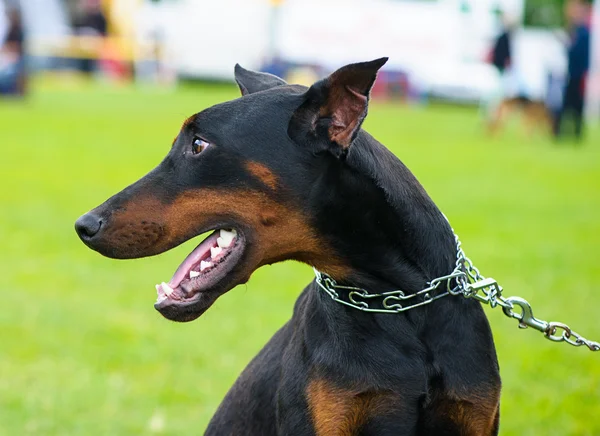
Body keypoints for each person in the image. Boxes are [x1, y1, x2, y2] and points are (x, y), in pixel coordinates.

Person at [554, 0, 591, 141]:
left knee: (573, 105)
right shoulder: (578, 30)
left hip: (577, 74)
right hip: (574, 73)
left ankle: (571, 134)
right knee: (570, 105)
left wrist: (567, 44)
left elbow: (577, 53)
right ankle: (568, 134)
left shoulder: (583, 32)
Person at [0, 6, 26, 96]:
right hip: (9, 56)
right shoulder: (10, 30)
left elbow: (17, 47)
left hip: (17, 57)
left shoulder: (19, 30)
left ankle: (17, 91)